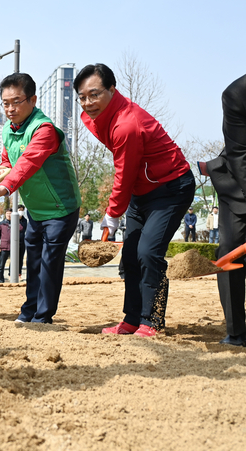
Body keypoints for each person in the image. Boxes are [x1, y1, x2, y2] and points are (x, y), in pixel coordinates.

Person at [74, 63, 195, 336]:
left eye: (94, 94)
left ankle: (152, 321)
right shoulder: (94, 116)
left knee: (148, 253)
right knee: (130, 255)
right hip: (142, 190)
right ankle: (131, 319)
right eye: (82, 97)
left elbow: (124, 171)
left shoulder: (127, 125)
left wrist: (113, 213)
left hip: (171, 187)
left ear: (112, 90)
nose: (88, 103)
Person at [0, 73, 81, 324]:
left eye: (16, 101)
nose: (10, 108)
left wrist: (4, 189)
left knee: (49, 263)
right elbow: (11, 161)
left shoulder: (44, 129)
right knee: (34, 262)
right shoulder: (8, 129)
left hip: (60, 208)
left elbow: (27, 164)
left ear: (33, 99)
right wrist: (1, 169)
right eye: (5, 103)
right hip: (36, 210)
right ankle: (29, 311)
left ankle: (42, 317)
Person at [202, 74, 246, 346]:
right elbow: (240, 154)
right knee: (230, 248)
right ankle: (236, 331)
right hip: (239, 183)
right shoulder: (237, 94)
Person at [0, 209, 11, 283]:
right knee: (2, 264)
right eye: (7, 213)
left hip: (13, 247)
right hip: (4, 247)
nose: (9, 215)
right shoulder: (1, 224)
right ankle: (0, 279)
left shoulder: (17, 223)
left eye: (10, 213)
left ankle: (12, 276)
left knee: (13, 264)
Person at [18, 204, 28, 277]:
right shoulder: (13, 219)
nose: (21, 212)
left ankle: (19, 273)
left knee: (20, 258)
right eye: (19, 210)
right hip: (14, 242)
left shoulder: (25, 220)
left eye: (22, 210)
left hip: (22, 241)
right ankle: (11, 273)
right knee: (14, 258)